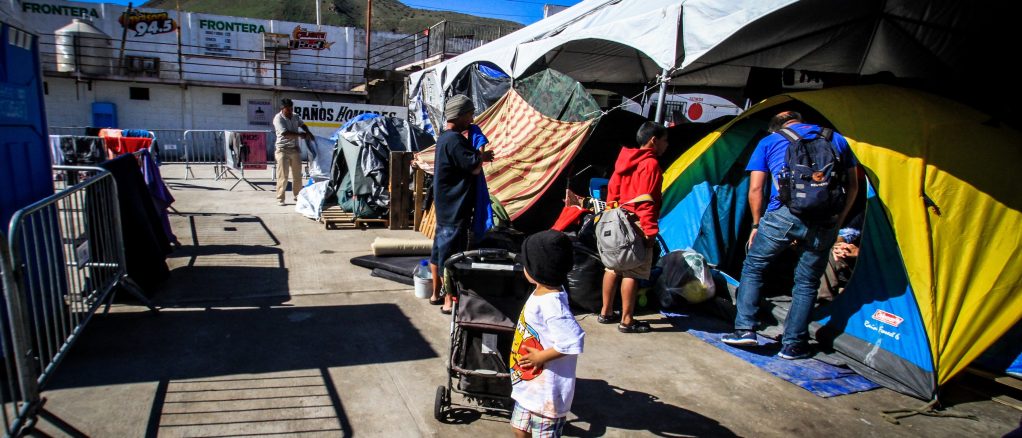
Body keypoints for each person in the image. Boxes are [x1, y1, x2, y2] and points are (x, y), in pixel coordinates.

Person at [722, 111, 859, 360]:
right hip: (825, 220)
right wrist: (838, 221)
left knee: (754, 267)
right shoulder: (836, 139)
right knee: (807, 283)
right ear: (801, 120)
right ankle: (793, 344)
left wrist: (755, 225)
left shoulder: (769, 141)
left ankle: (745, 330)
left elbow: (755, 188)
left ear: (775, 128)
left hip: (783, 215)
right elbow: (854, 185)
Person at [509, 230, 585, 438]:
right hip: (530, 386)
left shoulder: (553, 304)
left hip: (547, 392)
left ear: (537, 270)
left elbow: (573, 340)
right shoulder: (542, 291)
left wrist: (540, 357)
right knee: (519, 428)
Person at [598, 122, 669, 334]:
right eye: (665, 141)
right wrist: (649, 231)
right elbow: (646, 201)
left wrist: (612, 216)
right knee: (632, 271)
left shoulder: (624, 161)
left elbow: (612, 191)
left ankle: (605, 312)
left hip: (616, 219)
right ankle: (627, 320)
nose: (667, 146)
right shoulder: (650, 165)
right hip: (637, 222)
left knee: (612, 267)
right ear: (653, 140)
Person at [429, 94, 494, 314]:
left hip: (445, 207)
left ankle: (435, 293)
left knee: (438, 252)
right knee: (451, 256)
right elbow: (474, 167)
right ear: (461, 115)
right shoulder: (456, 140)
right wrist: (483, 152)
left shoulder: (444, 138)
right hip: (456, 208)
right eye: (470, 114)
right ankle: (448, 300)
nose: (472, 118)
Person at [272, 98, 313, 206]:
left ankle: (298, 196)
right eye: (288, 109)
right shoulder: (278, 118)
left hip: (294, 149)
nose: (290, 111)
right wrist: (300, 135)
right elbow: (285, 133)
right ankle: (280, 198)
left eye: (291, 109)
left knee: (297, 175)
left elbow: (302, 124)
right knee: (283, 176)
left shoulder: (295, 116)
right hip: (282, 150)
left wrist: (307, 131)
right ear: (282, 109)